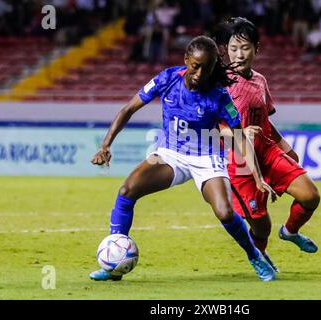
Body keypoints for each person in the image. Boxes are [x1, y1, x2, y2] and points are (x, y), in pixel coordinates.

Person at [89, 35, 277, 282]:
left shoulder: (220, 95)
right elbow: (128, 109)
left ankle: (254, 256)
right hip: (170, 155)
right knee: (127, 190)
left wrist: (258, 176)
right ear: (186, 60)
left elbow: (240, 137)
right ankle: (113, 263)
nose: (200, 73)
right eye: (195, 66)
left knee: (225, 213)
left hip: (207, 158)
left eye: (207, 68)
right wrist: (106, 145)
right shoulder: (167, 79)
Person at [214, 17, 321, 270]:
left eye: (245, 48)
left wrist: (285, 147)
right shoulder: (220, 83)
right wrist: (238, 134)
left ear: (256, 49)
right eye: (233, 49)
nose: (238, 54)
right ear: (226, 51)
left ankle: (291, 231)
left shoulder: (260, 80)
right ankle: (259, 256)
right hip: (239, 160)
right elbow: (212, 126)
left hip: (267, 150)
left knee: (311, 196)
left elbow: (265, 121)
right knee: (262, 225)